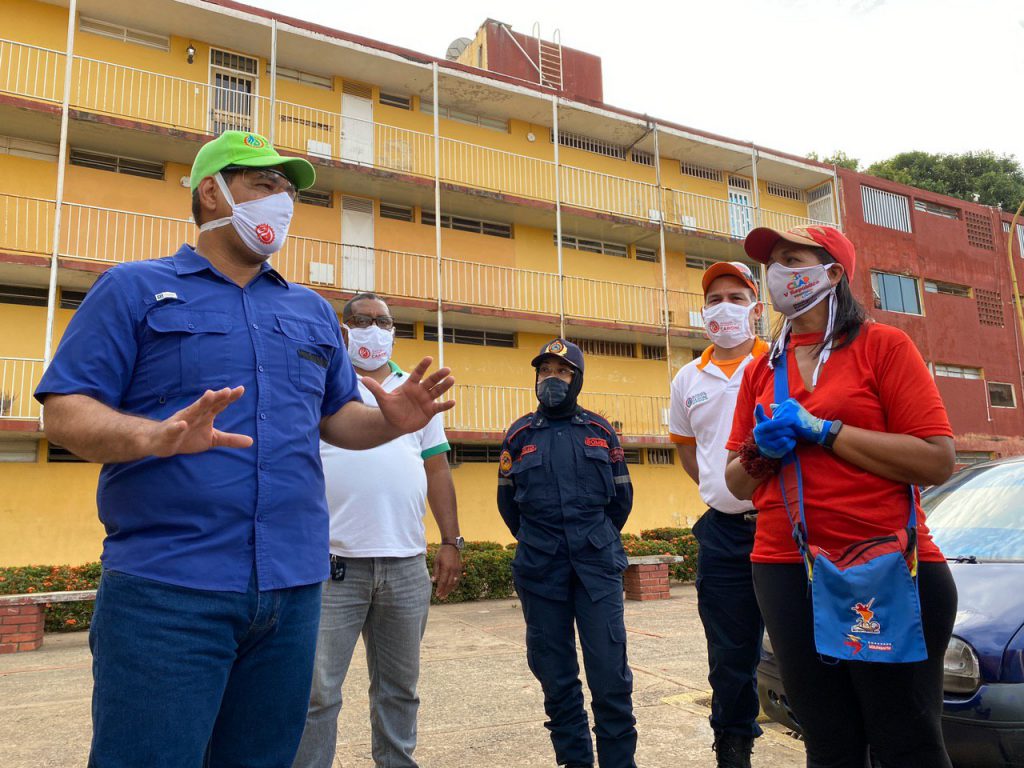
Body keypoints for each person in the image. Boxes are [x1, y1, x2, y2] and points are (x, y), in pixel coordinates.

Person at [34, 130, 455, 768]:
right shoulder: (133, 289)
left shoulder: (311, 312)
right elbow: (65, 411)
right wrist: (153, 436)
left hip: (292, 592)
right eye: (265, 184)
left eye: (289, 191)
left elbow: (339, 418)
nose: (282, 201)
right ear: (213, 190)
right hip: (168, 590)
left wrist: (393, 421)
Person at [723, 225, 957, 768]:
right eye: (773, 262)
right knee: (828, 743)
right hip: (784, 567)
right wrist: (761, 451)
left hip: (884, 564)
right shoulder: (763, 368)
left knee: (907, 741)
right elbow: (735, 484)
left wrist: (826, 431)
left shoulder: (882, 346)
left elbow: (938, 459)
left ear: (832, 273)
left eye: (792, 258)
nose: (779, 271)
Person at [293, 292, 462, 768]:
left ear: (393, 331)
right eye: (362, 320)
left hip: (405, 565)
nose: (374, 328)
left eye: (383, 321)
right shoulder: (325, 382)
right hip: (331, 566)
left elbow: (438, 470)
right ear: (343, 329)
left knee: (400, 690)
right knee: (316, 694)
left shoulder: (416, 390)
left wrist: (450, 541)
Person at [497, 339, 637, 768]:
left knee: (610, 677)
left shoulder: (600, 431)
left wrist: (591, 539)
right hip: (541, 571)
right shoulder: (520, 435)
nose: (551, 380)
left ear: (576, 379)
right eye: (544, 372)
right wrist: (544, 542)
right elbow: (509, 507)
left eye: (561, 372)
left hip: (596, 567)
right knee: (557, 680)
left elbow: (621, 501)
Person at [668, 261, 768, 768]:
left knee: (807, 650)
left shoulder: (778, 363)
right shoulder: (688, 377)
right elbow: (690, 452)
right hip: (724, 535)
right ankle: (733, 748)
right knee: (729, 657)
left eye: (735, 295)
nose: (723, 306)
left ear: (755, 306)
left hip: (785, 527)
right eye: (713, 299)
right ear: (703, 312)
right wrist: (721, 489)